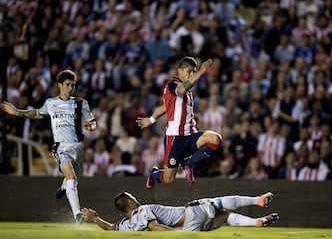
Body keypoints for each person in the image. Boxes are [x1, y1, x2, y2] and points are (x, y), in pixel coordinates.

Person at [0, 69, 97, 223]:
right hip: (61, 147)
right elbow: (37, 113)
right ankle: (78, 216)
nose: (71, 88)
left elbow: (93, 124)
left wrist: (89, 127)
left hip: (78, 148)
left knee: (73, 179)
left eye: (73, 85)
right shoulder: (51, 103)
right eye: (67, 84)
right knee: (71, 176)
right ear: (60, 85)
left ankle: (66, 185)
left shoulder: (81, 103)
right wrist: (17, 112)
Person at [136, 57, 223, 188]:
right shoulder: (173, 85)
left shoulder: (188, 91)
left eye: (194, 72)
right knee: (168, 178)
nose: (192, 74)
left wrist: (151, 119)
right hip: (175, 137)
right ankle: (154, 174)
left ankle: (189, 163)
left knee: (216, 139)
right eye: (189, 71)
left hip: (191, 134)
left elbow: (166, 107)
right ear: (180, 71)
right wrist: (201, 72)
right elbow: (179, 92)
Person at [81, 191, 279, 231]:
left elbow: (110, 229)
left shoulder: (125, 226)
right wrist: (178, 234)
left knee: (225, 216)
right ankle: (256, 200)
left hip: (191, 228)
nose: (137, 199)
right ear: (131, 203)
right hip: (191, 217)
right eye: (133, 198)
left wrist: (95, 219)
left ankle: (257, 222)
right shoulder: (143, 210)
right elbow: (155, 227)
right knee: (216, 203)